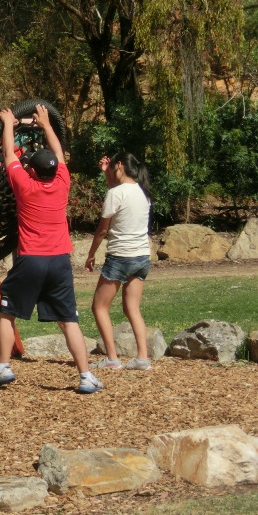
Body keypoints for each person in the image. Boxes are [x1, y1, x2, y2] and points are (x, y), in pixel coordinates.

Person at [0, 104, 103, 394]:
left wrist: (7, 123)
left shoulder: (25, 185)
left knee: (6, 312)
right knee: (68, 320)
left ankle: (2, 367)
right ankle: (86, 376)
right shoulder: (63, 181)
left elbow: (10, 155)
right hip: (60, 261)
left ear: (33, 171)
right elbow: (60, 154)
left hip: (32, 259)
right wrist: (47, 124)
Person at [85, 152, 153, 371]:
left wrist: (91, 253)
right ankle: (142, 358)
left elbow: (102, 229)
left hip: (120, 257)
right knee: (132, 308)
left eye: (112, 167)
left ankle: (112, 358)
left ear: (120, 165)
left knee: (99, 307)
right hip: (142, 256)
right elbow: (118, 190)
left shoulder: (115, 193)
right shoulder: (143, 193)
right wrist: (107, 173)